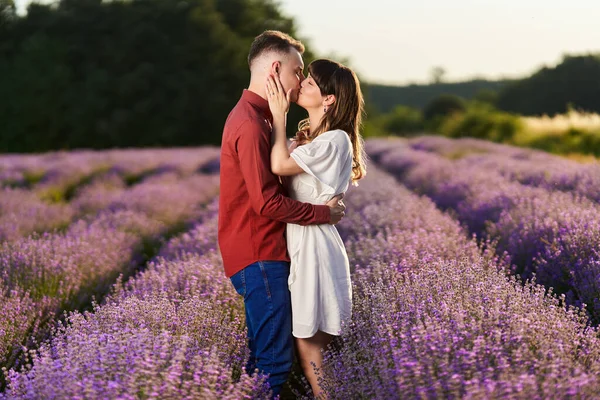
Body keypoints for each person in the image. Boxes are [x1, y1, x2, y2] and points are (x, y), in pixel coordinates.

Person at [217, 30, 346, 398]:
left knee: (267, 358)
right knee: (274, 363)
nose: (301, 81)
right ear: (275, 68)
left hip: (265, 252)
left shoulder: (261, 118)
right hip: (261, 253)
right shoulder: (251, 123)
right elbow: (266, 204)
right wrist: (323, 213)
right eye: (297, 71)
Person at [265, 58, 367, 398]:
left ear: (329, 100)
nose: (303, 84)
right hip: (303, 239)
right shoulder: (312, 138)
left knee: (310, 341)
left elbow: (278, 165)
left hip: (314, 245)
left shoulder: (335, 139)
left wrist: (278, 115)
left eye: (310, 82)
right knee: (308, 341)